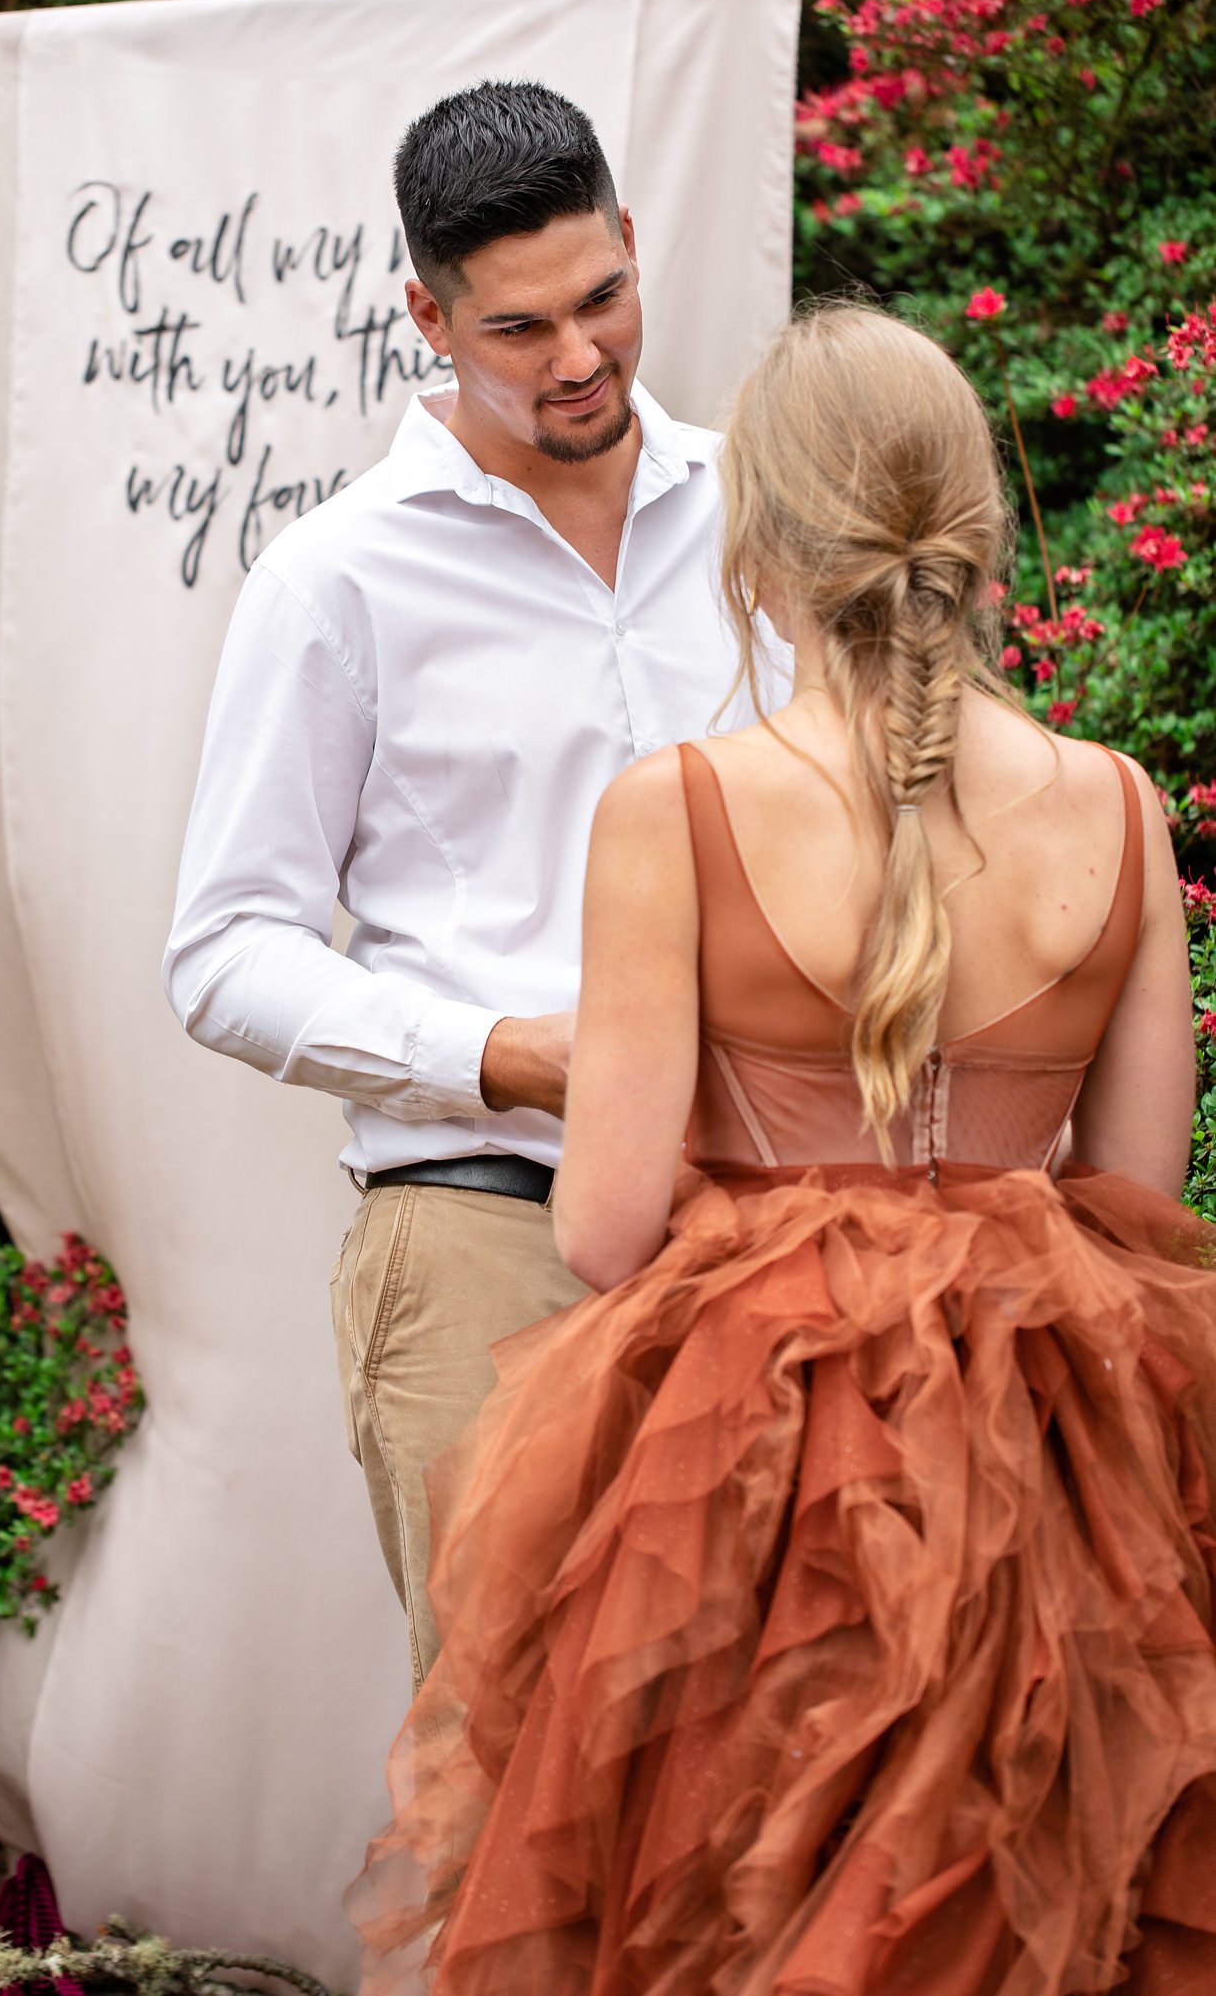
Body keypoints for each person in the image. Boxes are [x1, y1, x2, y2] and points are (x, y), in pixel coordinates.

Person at [348, 303, 1216, 1993]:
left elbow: (603, 1225)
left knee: (740, 1906)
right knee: (1041, 1900)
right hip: (1063, 1462)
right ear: (974, 529)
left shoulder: (674, 809)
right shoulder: (1119, 806)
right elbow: (1133, 1204)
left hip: (756, 1477)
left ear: (755, 544)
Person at [162, 80, 786, 1688]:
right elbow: (224, 953)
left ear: (635, 243)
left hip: (787, 1228)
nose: (579, 358)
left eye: (602, 299)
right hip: (482, 1235)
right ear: (428, 313)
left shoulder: (766, 511)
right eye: (518, 329)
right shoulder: (334, 581)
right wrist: (518, 1054)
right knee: (524, 1781)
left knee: (788, 1770)